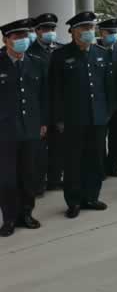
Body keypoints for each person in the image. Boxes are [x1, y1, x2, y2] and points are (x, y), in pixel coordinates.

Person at [50, 12, 111, 219]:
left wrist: (108, 112)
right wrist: (59, 118)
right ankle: (74, 201)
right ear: (73, 32)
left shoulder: (101, 53)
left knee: (95, 160)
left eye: (91, 28)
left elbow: (108, 87)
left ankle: (91, 197)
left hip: (98, 118)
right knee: (73, 162)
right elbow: (55, 91)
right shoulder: (60, 56)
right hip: (73, 120)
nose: (88, 32)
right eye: (84, 28)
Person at [0, 18, 49, 237]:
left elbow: (44, 96)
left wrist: (43, 122)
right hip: (5, 131)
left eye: (24, 36)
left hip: (31, 128)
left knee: (29, 175)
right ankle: (9, 218)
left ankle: (26, 214)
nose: (23, 40)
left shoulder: (36, 62)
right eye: (17, 36)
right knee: (7, 178)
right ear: (6, 40)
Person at [28, 13, 62, 195]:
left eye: (52, 28)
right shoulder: (29, 51)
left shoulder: (61, 50)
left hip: (58, 106)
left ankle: (55, 179)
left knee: (58, 147)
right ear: (37, 31)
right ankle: (38, 184)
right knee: (39, 150)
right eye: (46, 28)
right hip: (40, 107)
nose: (50, 32)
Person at [97, 18, 117, 178]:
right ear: (101, 33)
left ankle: (112, 165)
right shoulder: (94, 50)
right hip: (100, 102)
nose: (113, 35)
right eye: (110, 32)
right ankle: (100, 167)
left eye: (116, 32)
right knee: (98, 139)